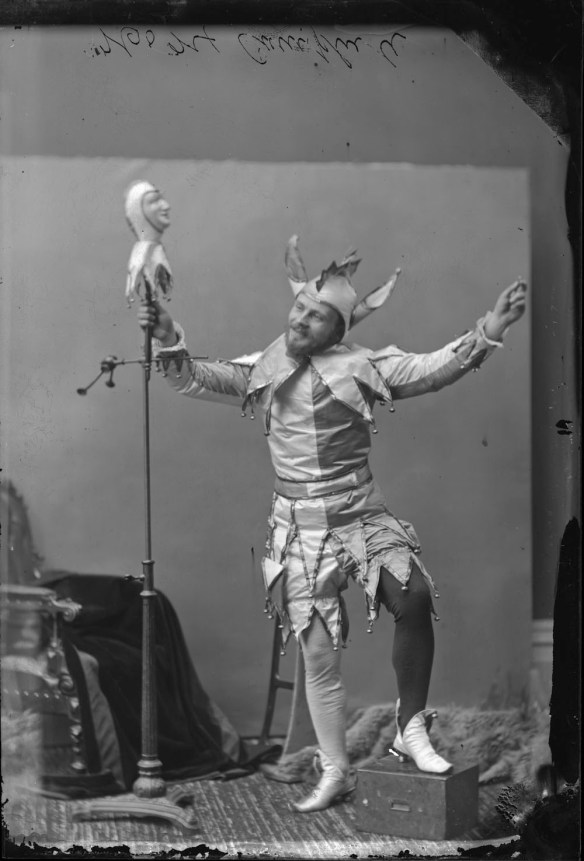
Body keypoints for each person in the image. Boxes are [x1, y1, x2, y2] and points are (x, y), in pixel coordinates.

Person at [136, 232, 527, 813]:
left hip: (361, 516)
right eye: (299, 308)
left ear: (339, 330)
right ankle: (335, 768)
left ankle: (409, 728)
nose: (301, 321)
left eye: (318, 316)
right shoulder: (261, 367)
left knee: (414, 596)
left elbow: (431, 368)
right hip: (297, 531)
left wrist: (489, 328)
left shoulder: (364, 367)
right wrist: (169, 336)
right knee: (318, 655)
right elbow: (191, 376)